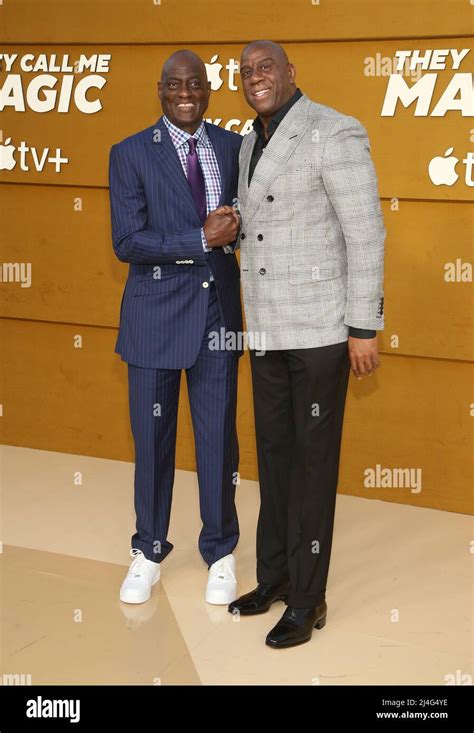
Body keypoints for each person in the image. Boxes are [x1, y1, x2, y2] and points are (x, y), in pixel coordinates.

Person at [229, 40, 386, 648]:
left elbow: (365, 233)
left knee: (313, 465)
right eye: (246, 72)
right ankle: (274, 578)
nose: (255, 78)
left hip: (322, 332)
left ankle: (309, 598)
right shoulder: (248, 141)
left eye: (265, 67)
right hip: (266, 329)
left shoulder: (335, 130)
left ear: (291, 73)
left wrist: (363, 327)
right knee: (274, 458)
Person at [109, 50, 243, 606]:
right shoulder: (131, 153)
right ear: (160, 90)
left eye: (196, 84)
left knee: (218, 442)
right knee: (153, 441)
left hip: (218, 319)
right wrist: (199, 239)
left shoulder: (234, 147)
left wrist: (233, 234)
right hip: (155, 321)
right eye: (175, 85)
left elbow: (247, 221)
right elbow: (127, 242)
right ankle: (148, 550)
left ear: (208, 90)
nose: (186, 93)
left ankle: (220, 551)